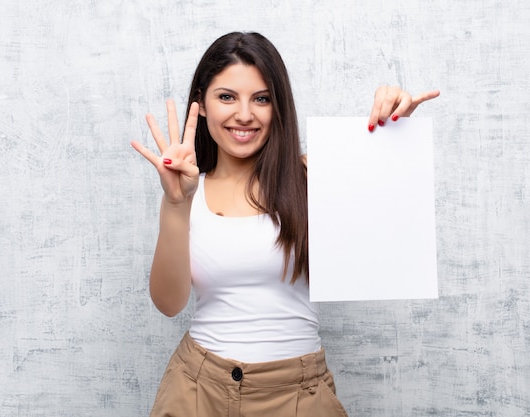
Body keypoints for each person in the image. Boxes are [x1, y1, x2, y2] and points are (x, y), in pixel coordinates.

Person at [131, 31, 439, 417]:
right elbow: (169, 303)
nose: (244, 114)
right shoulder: (188, 191)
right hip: (197, 390)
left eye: (261, 98)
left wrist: (392, 128)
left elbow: (389, 205)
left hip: (298, 394)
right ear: (202, 105)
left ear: (278, 106)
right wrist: (176, 203)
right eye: (226, 96)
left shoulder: (312, 176)